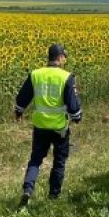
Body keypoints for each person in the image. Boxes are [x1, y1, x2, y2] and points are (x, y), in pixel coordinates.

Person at [14, 43, 82, 207]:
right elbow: (73, 105)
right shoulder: (66, 77)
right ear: (59, 57)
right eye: (64, 56)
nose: (65, 59)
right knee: (59, 161)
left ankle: (28, 189)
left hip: (40, 126)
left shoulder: (36, 74)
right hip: (59, 128)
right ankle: (53, 195)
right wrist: (77, 117)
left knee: (35, 159)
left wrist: (19, 111)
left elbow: (23, 96)